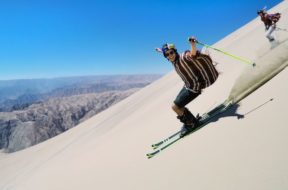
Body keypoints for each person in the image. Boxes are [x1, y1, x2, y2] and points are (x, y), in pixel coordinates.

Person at [156, 37, 219, 137]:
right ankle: (191, 120)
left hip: (194, 88)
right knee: (178, 106)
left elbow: (192, 55)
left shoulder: (183, 57)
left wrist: (193, 45)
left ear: (175, 51)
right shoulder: (174, 61)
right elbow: (165, 52)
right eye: (167, 55)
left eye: (171, 53)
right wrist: (160, 50)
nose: (170, 56)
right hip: (188, 85)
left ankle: (190, 124)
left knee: (174, 107)